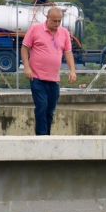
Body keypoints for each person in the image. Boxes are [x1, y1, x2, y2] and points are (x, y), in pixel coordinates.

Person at [21, 7, 77, 135]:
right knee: (41, 106)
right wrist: (26, 67)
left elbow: (68, 53)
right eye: (54, 21)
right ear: (47, 18)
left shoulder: (64, 33)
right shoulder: (35, 29)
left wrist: (72, 70)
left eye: (59, 21)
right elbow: (24, 48)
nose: (57, 24)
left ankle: (47, 135)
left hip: (54, 79)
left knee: (50, 110)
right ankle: (42, 136)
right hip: (37, 77)